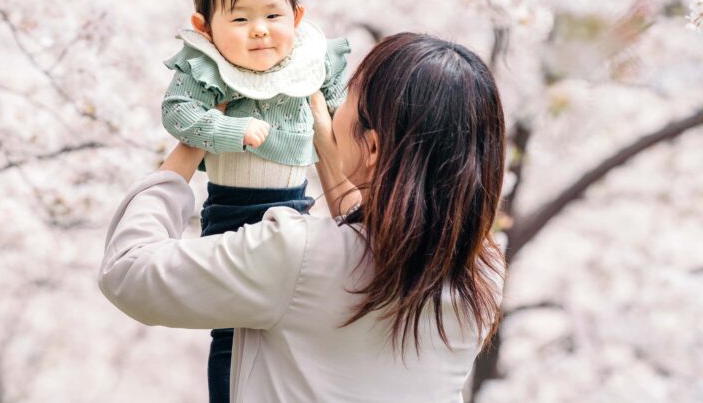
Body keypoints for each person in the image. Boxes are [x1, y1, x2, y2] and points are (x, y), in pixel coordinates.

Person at [100, 32, 507, 402]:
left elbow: (129, 271)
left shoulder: (299, 255)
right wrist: (331, 158)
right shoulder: (482, 274)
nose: (339, 105)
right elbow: (375, 242)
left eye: (349, 95)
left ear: (373, 148)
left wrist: (199, 134)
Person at [160, 0, 351, 401]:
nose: (260, 31)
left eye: (272, 16)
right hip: (229, 213)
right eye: (240, 19)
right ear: (204, 28)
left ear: (297, 18)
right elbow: (177, 114)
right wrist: (228, 128)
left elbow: (343, 117)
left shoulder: (312, 59)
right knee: (231, 328)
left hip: (296, 210)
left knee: (290, 321)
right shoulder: (205, 65)